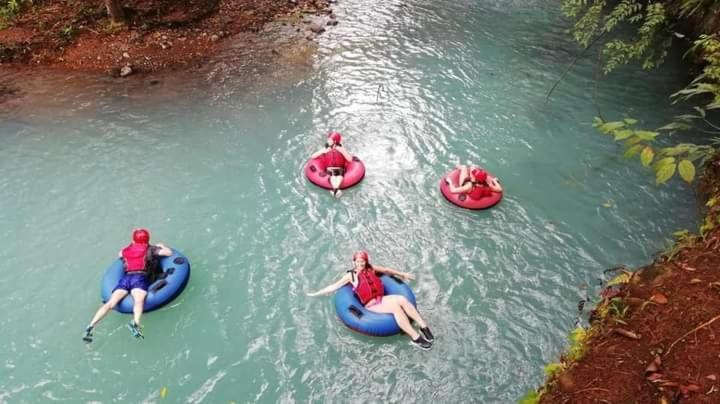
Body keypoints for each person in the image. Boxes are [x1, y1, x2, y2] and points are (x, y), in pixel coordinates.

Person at [306, 251, 435, 350]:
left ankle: (424, 327)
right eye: (358, 261)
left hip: (381, 299)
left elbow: (386, 270)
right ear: (354, 262)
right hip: (371, 305)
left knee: (402, 299)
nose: (360, 263)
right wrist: (316, 293)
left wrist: (402, 274)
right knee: (396, 308)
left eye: (362, 261)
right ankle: (415, 338)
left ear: (366, 261)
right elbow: (334, 286)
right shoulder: (351, 275)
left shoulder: (371, 268)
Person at [82, 228, 172, 343]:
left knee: (111, 303)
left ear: (133, 240)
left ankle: (91, 325)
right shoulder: (151, 249)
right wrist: (161, 245)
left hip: (126, 278)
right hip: (139, 278)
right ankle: (135, 323)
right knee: (139, 301)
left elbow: (120, 254)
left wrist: (132, 247)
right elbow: (169, 253)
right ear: (148, 239)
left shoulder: (125, 251)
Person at [310, 131, 353, 198]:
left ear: (335, 141)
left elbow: (350, 159)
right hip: (330, 170)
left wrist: (342, 151)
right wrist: (323, 151)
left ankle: (335, 190)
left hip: (340, 169)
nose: (328, 140)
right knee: (333, 176)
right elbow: (312, 156)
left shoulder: (341, 149)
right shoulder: (326, 149)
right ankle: (336, 190)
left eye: (329, 139)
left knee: (339, 176)